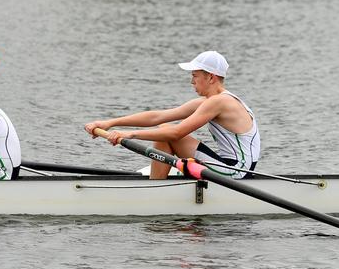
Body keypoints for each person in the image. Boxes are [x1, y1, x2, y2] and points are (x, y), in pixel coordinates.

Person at [84, 51, 260, 180]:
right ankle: (156, 186)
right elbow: (157, 117)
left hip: (237, 172)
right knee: (164, 128)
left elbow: (177, 134)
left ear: (211, 78)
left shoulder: (220, 102)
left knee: (168, 133)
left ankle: (156, 190)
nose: (192, 81)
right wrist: (109, 123)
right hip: (227, 165)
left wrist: (129, 134)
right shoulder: (212, 101)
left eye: (195, 76)